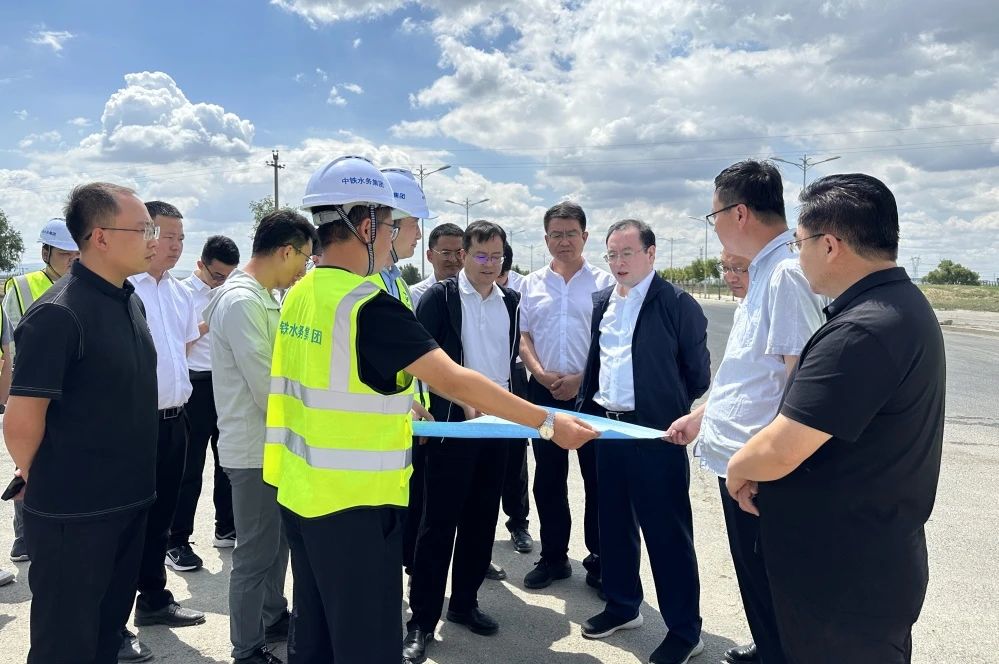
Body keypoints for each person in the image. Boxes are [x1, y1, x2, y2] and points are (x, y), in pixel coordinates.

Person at [264, 155, 597, 664]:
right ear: (367, 226)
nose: (401, 235)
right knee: (366, 643)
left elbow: (339, 378)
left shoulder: (301, 292)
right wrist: (547, 422)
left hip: (300, 493)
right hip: (354, 503)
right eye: (393, 225)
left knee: (315, 635)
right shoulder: (366, 305)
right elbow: (455, 379)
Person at [727, 174, 946, 664]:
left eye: (799, 243)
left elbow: (782, 447)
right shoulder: (900, 306)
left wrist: (739, 468)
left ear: (829, 245)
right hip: (870, 558)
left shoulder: (862, 330)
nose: (797, 255)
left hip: (843, 579)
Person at [666, 160, 826, 664]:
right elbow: (749, 372)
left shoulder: (786, 275)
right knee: (756, 583)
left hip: (761, 471)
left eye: (713, 215)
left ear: (738, 213)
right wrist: (702, 416)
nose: (713, 226)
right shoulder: (763, 274)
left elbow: (801, 379)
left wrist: (764, 463)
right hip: (743, 462)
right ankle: (768, 645)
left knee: (774, 586)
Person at [3, 182, 159, 664]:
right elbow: (21, 418)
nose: (153, 239)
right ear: (101, 237)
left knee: (105, 636)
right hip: (75, 517)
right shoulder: (59, 314)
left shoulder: (128, 300)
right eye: (143, 229)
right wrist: (40, 473)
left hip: (128, 502)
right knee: (65, 643)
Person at [578, 219, 711, 664]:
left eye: (627, 253)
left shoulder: (676, 303)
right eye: (612, 254)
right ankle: (622, 605)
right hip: (609, 431)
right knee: (613, 524)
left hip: (656, 435)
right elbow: (597, 363)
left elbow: (697, 374)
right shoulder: (602, 302)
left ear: (651, 254)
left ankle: (685, 631)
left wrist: (665, 409)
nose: (618, 263)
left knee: (666, 534)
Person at [404, 221, 522, 663]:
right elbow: (420, 362)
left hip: (497, 428)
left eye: (496, 256)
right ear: (464, 256)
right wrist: (462, 401)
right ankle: (421, 621)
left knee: (481, 519)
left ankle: (465, 603)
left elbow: (508, 366)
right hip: (453, 428)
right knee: (438, 524)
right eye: (481, 255)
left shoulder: (510, 301)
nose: (489, 264)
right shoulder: (440, 298)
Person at [205, 210, 316, 664]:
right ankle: (247, 647)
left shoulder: (263, 298)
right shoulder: (242, 302)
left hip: (273, 446)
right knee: (254, 554)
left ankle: (272, 617)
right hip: (253, 451)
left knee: (276, 546)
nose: (305, 269)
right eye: (305, 258)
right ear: (286, 251)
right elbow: (267, 388)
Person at [122, 202, 206, 660]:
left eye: (180, 238)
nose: (174, 246)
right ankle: (113, 623)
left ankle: (153, 598)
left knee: (161, 519)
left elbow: (184, 347)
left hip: (176, 420)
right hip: (135, 425)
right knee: (126, 525)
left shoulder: (178, 292)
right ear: (145, 234)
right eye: (166, 235)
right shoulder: (124, 289)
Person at [518, 201, 613, 590]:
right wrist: (539, 373)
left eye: (571, 233)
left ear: (585, 236)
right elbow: (523, 336)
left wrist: (581, 379)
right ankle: (554, 557)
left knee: (596, 479)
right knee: (548, 478)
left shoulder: (605, 283)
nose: (563, 241)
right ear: (546, 239)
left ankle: (600, 560)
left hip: (590, 396)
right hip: (542, 394)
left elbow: (611, 341)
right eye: (556, 234)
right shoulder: (531, 283)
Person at [3, 218, 79, 563]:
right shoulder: (22, 286)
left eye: (76, 255)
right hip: (32, 387)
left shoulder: (85, 286)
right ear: (46, 252)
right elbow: (11, 342)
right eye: (65, 254)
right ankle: (24, 537)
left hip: (70, 390)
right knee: (27, 462)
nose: (71, 261)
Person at [166, 235, 241, 571]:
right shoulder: (181, 293)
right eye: (217, 275)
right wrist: (209, 321)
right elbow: (177, 342)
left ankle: (226, 527)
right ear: (201, 264)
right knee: (189, 468)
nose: (222, 281)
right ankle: (177, 540)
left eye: (228, 275)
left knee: (229, 462)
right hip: (195, 386)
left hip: (227, 384)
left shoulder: (231, 292)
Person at [376, 168, 436, 577]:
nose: (419, 234)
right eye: (415, 223)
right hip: (378, 431)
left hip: (405, 423)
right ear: (392, 226)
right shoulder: (368, 284)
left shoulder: (395, 280)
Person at [494, 241, 532, 555]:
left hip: (515, 374)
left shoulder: (524, 288)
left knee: (516, 451)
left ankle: (518, 523)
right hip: (479, 375)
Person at [410, 222, 464, 307]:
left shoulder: (477, 293)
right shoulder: (414, 296)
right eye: (446, 253)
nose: (453, 259)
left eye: (459, 253)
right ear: (430, 256)